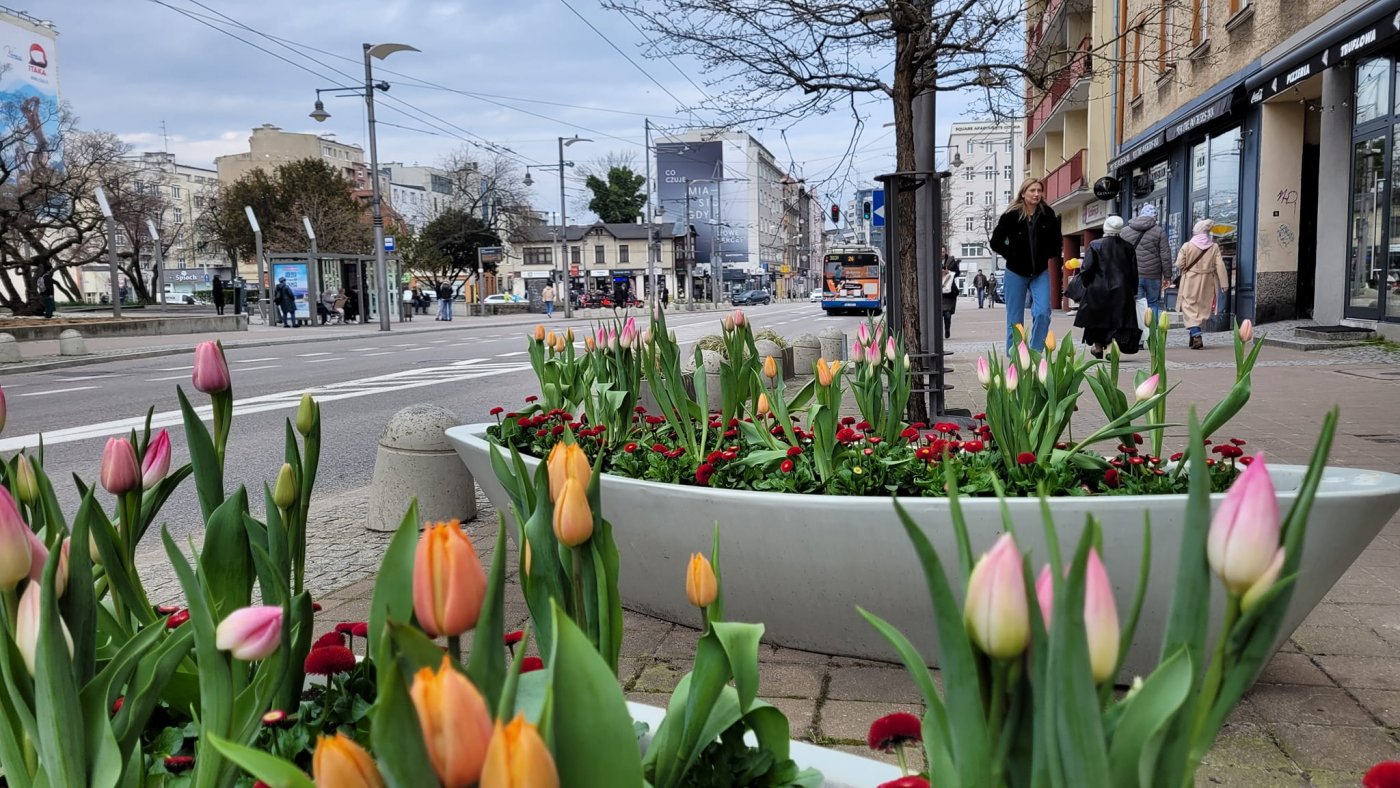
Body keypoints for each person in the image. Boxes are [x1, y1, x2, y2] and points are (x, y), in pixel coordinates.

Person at [989, 177, 1062, 352]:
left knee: (1043, 312)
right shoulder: (1011, 216)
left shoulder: (1048, 214)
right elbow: (996, 242)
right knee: (1015, 319)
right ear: (1023, 193)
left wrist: (1049, 254)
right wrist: (1011, 253)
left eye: (1039, 190)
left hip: (1040, 272)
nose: (1036, 194)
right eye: (1032, 190)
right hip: (1015, 271)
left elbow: (1057, 240)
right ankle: (1017, 357)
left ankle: (1035, 353)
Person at [1072, 216, 1141, 358]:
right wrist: (1133, 290)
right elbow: (1133, 271)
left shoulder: (1095, 245)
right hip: (1122, 290)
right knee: (1117, 320)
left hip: (1097, 289)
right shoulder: (1128, 247)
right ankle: (1110, 348)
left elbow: (1087, 268)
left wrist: (1086, 283)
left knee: (1097, 320)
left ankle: (1098, 348)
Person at [1176, 219, 1230, 350]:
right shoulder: (1214, 247)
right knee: (1201, 308)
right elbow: (1220, 265)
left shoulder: (1187, 246)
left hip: (1190, 280)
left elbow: (1179, 264)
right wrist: (1224, 283)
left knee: (1189, 307)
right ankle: (1194, 335)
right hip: (1207, 281)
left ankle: (1196, 334)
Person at [1121, 204, 1173, 322]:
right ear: (1154, 216)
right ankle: (1152, 336)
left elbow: (1121, 254)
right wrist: (1168, 276)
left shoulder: (1125, 231)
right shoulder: (1159, 231)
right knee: (1152, 303)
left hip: (1133, 275)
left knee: (1138, 303)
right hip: (1153, 275)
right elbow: (1165, 255)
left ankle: (1140, 333)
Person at [941, 258, 960, 339]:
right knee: (937, 316)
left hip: (949, 297)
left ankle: (947, 329)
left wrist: (956, 264)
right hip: (940, 297)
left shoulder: (950, 261)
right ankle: (937, 332)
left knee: (947, 315)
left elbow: (957, 273)